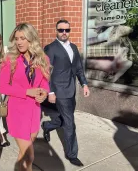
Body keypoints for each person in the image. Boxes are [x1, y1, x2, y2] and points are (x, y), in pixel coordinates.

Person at [0, 23, 50, 171]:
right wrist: (27, 92)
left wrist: (44, 93)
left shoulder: (43, 59)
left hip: (34, 110)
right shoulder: (10, 59)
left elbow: (45, 83)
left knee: (23, 154)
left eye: (23, 38)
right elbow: (3, 87)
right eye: (17, 39)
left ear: (31, 39)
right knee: (29, 156)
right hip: (16, 111)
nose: (19, 42)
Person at [42, 19, 90, 167]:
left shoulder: (74, 48)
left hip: (71, 90)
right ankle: (72, 154)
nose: (64, 33)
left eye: (66, 30)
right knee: (70, 123)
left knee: (64, 118)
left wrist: (84, 84)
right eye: (61, 30)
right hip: (59, 90)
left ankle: (48, 126)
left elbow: (78, 68)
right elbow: (46, 72)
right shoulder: (50, 48)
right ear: (56, 31)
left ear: (69, 31)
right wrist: (50, 91)